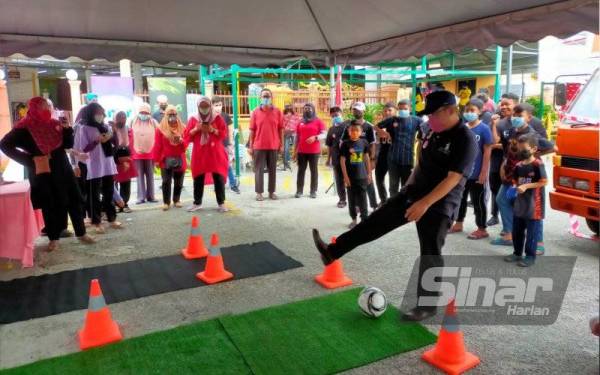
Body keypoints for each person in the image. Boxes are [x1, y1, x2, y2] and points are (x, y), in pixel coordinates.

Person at [312, 91, 477, 321]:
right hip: (413, 192)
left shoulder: (465, 139)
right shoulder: (433, 132)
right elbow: (422, 163)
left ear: (450, 110)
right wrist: (407, 189)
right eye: (427, 115)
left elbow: (453, 178)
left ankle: (427, 305)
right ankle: (333, 251)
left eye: (433, 114)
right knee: (375, 221)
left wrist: (424, 204)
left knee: (430, 252)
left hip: (439, 203)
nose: (429, 120)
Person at [1, 97, 95, 251]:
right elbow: (4, 145)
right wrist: (29, 160)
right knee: (49, 204)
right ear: (34, 109)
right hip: (43, 171)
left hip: (63, 168)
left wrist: (66, 129)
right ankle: (53, 239)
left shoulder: (54, 124)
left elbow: (68, 144)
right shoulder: (24, 127)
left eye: (48, 107)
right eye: (43, 107)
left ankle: (81, 233)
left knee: (74, 200)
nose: (47, 110)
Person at [492, 104, 554, 247]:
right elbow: (508, 150)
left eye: (520, 116)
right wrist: (504, 164)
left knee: (533, 209)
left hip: (528, 177)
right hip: (511, 176)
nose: (515, 118)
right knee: (502, 199)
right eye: (514, 115)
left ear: (529, 117)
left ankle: (538, 243)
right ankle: (509, 234)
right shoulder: (511, 131)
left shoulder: (532, 135)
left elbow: (553, 147)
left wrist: (533, 158)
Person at [448, 99, 493, 239]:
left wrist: (484, 172)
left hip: (477, 173)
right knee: (460, 199)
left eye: (472, 110)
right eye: (466, 110)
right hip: (462, 173)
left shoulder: (484, 128)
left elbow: (487, 151)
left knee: (478, 201)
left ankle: (482, 228)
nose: (469, 113)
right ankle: (459, 223)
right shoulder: (463, 127)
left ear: (480, 112)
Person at [75, 102, 122, 234]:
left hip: (107, 162)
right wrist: (97, 141)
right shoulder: (84, 128)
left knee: (109, 192)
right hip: (93, 164)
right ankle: (96, 221)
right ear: (91, 113)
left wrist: (112, 136)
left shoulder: (105, 126)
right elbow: (82, 148)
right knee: (93, 194)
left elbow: (115, 145)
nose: (100, 116)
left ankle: (111, 218)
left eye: (101, 113)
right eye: (97, 113)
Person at [504, 134, 547, 267]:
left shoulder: (537, 164)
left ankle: (530, 256)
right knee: (517, 230)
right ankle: (517, 253)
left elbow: (544, 182)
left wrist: (526, 186)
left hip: (534, 205)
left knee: (532, 233)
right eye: (520, 148)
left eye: (525, 149)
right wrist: (513, 187)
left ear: (534, 149)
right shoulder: (518, 166)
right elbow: (515, 180)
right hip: (520, 204)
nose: (522, 151)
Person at [184, 96, 229, 212]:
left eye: (206, 106)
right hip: (200, 153)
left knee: (218, 177)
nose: (204, 109)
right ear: (198, 107)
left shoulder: (217, 118)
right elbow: (187, 137)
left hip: (215, 152)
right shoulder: (193, 119)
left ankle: (221, 203)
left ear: (210, 106)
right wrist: (195, 129)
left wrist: (213, 130)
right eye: (202, 106)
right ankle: (197, 203)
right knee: (198, 177)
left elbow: (224, 134)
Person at [376, 99, 423, 200]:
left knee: (406, 186)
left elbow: (427, 128)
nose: (402, 111)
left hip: (408, 159)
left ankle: (404, 208)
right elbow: (376, 127)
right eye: (400, 109)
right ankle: (393, 208)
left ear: (410, 108)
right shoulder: (393, 119)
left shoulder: (416, 120)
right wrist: (384, 133)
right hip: (393, 158)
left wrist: (421, 139)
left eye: (405, 108)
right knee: (393, 186)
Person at [341, 102, 378, 210]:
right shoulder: (348, 126)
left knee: (369, 181)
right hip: (352, 162)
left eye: (359, 110)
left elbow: (372, 144)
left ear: (363, 111)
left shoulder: (369, 126)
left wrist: (372, 159)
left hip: (365, 161)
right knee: (355, 184)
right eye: (354, 109)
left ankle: (374, 205)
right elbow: (343, 142)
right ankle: (357, 205)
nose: (356, 111)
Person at [249, 88, 284, 201]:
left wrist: (282, 144)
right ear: (260, 98)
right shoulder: (255, 112)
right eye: (264, 96)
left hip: (273, 145)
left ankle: (271, 192)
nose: (266, 98)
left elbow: (281, 130)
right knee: (258, 170)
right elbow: (252, 130)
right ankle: (259, 193)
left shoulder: (278, 112)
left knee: (272, 170)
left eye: (268, 96)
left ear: (271, 98)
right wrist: (250, 146)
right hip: (258, 146)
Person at [340, 120, 373, 228]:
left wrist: (369, 174)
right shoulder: (345, 144)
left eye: (357, 130)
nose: (354, 132)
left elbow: (366, 158)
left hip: (362, 176)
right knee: (351, 199)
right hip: (350, 177)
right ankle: (353, 219)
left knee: (363, 198)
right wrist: (345, 177)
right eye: (352, 130)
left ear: (361, 132)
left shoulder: (364, 142)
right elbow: (342, 160)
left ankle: (364, 219)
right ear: (349, 132)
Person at [154, 105, 187, 211]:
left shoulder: (183, 127)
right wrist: (156, 160)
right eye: (170, 114)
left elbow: (186, 145)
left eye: (174, 114)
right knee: (166, 181)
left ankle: (176, 200)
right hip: (165, 159)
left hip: (179, 158)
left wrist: (182, 141)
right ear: (165, 115)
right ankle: (166, 202)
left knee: (179, 181)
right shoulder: (160, 128)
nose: (172, 116)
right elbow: (157, 145)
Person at [294, 103, 326, 198]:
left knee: (314, 171)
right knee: (301, 171)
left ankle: (313, 191)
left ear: (313, 109)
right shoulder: (300, 122)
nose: (307, 110)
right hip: (301, 151)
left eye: (309, 108)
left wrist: (315, 137)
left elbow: (324, 134)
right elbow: (297, 137)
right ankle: (299, 191)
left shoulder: (318, 121)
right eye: (305, 108)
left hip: (314, 151)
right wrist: (295, 151)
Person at [131, 103, 158, 204]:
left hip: (150, 153)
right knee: (139, 175)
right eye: (142, 112)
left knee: (150, 175)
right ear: (138, 113)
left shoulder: (154, 122)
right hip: (137, 153)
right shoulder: (133, 121)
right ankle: (141, 197)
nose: (144, 114)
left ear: (149, 113)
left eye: (146, 112)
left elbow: (159, 134)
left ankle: (151, 196)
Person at [212, 96, 240, 194]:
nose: (218, 107)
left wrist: (231, 143)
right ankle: (219, 185)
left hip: (224, 144)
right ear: (212, 106)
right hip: (213, 146)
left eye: (220, 105)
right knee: (216, 167)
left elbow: (230, 129)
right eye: (216, 105)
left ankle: (232, 184)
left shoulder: (225, 116)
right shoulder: (210, 117)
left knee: (227, 165)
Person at [110, 111, 136, 213]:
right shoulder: (110, 130)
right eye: (119, 117)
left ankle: (124, 203)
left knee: (126, 182)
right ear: (115, 118)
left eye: (124, 117)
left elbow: (131, 145)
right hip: (115, 160)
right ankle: (116, 203)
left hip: (126, 158)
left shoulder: (129, 130)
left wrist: (129, 160)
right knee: (114, 182)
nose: (122, 120)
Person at [373, 102, 396, 204]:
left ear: (395, 111)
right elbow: (376, 139)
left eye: (390, 110)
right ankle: (383, 200)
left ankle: (393, 202)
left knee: (394, 181)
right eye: (386, 111)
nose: (387, 113)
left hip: (395, 154)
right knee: (378, 177)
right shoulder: (381, 124)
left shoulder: (399, 123)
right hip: (383, 153)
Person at [325, 106, 347, 208]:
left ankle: (355, 202)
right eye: (333, 116)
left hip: (349, 158)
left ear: (341, 113)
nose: (335, 117)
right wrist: (328, 159)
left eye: (337, 115)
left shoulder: (348, 124)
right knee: (339, 180)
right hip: (336, 158)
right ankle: (342, 199)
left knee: (352, 179)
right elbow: (329, 146)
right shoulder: (331, 129)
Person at [282, 105, 300, 171]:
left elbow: (298, 123)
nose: (289, 111)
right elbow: (282, 125)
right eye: (287, 109)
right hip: (286, 133)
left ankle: (297, 160)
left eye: (290, 109)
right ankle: (286, 162)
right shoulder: (283, 116)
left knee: (296, 147)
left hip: (294, 133)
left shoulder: (296, 115)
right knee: (286, 148)